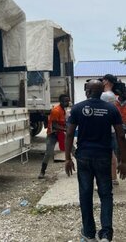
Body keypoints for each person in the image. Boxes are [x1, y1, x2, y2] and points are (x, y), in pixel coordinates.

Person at [65, 80, 126, 242]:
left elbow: (69, 134)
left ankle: (89, 234)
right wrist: (123, 161)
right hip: (103, 157)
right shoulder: (111, 109)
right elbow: (120, 135)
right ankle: (106, 234)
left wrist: (67, 159)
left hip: (84, 157)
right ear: (100, 92)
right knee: (106, 195)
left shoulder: (77, 108)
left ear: (88, 92)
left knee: (85, 194)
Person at [38, 93, 70, 179]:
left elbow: (62, 123)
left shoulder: (63, 110)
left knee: (73, 149)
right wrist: (67, 130)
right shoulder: (56, 110)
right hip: (53, 134)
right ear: (61, 101)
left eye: (68, 101)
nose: (67, 103)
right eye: (65, 101)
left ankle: (83, 169)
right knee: (48, 153)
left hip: (60, 133)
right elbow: (55, 125)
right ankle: (42, 171)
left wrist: (66, 128)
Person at [100, 74, 119, 186]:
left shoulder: (105, 95)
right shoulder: (111, 95)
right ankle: (114, 178)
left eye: (103, 80)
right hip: (110, 128)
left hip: (105, 129)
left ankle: (109, 179)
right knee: (111, 154)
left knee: (105, 155)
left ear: (106, 81)